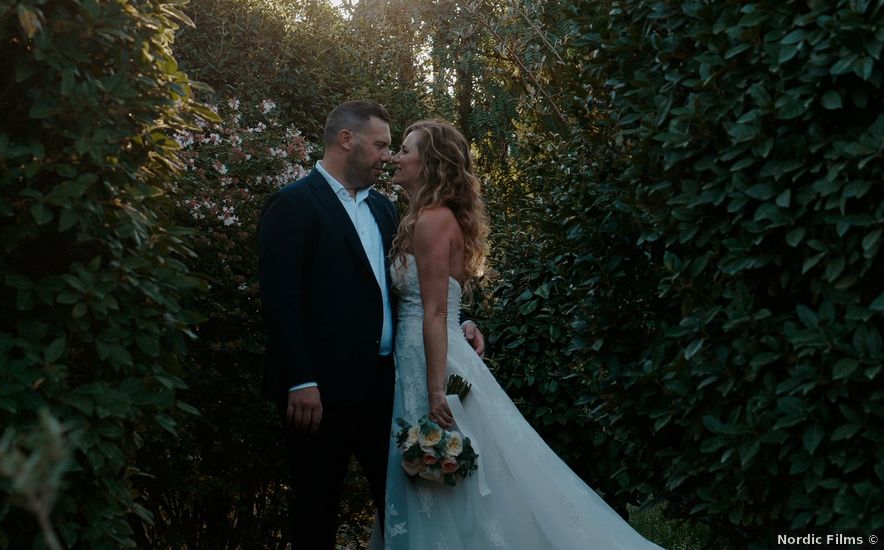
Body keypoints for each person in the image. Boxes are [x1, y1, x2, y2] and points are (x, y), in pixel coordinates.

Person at [374, 119, 662, 549]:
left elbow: (434, 311)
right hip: (430, 351)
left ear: (430, 164)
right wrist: (466, 325)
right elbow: (445, 305)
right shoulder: (422, 217)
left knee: (448, 470)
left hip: (429, 362)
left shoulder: (432, 220)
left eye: (405, 150)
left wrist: (436, 392)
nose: (396, 157)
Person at [257, 102, 484, 549]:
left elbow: (425, 287)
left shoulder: (386, 211)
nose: (387, 155)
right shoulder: (293, 205)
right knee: (315, 509)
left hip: (388, 390)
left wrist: (465, 321)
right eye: (381, 144)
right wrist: (301, 379)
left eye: (393, 147)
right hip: (319, 394)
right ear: (347, 140)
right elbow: (281, 300)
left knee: (404, 506)